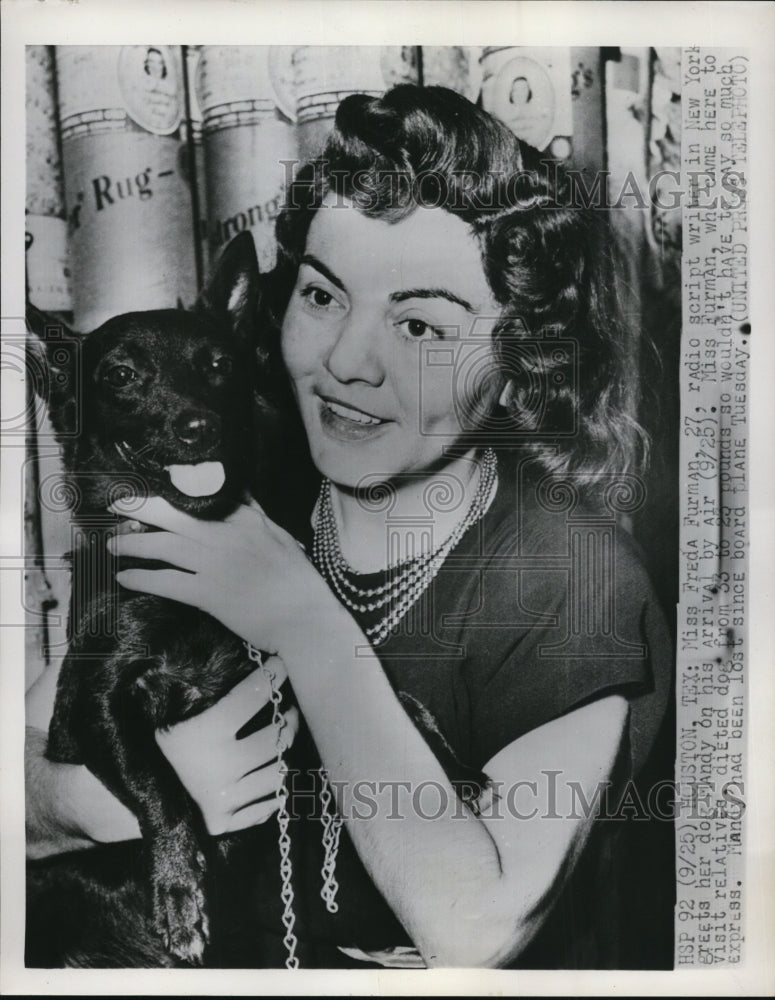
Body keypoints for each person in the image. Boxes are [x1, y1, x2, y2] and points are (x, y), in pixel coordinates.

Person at [25, 85, 673, 969]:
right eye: (324, 297)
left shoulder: (568, 584)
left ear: (522, 367)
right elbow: (31, 758)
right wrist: (95, 807)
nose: (344, 363)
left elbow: (473, 925)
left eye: (417, 323)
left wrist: (305, 622)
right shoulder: (237, 495)